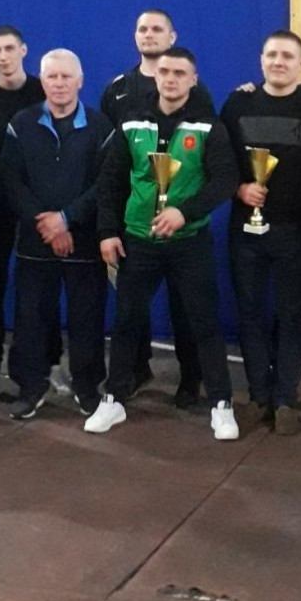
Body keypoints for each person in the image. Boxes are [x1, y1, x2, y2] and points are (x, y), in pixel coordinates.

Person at [90, 47, 239, 440]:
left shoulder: (209, 126)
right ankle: (113, 399)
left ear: (193, 79)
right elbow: (110, 181)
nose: (171, 79)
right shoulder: (130, 121)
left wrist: (183, 213)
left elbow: (225, 180)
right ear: (155, 76)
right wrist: (107, 231)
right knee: (126, 321)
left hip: (189, 242)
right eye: (165, 72)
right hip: (138, 241)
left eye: (180, 73)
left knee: (204, 322)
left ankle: (221, 404)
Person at [220, 31, 301, 435]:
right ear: (261, 59)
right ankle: (258, 395)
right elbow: (218, 162)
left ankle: (285, 399)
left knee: (293, 315)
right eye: (272, 55)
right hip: (245, 230)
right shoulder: (237, 104)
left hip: (296, 231)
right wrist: (239, 188)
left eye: (287, 56)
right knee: (249, 313)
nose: (279, 62)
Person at [99, 9, 204, 406]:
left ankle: (190, 378)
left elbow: (208, 153)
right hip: (135, 219)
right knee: (131, 306)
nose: (148, 34)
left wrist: (187, 209)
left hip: (181, 222)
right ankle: (135, 370)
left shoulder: (196, 90)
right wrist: (110, 224)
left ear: (172, 36)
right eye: (142, 28)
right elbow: (111, 161)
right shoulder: (118, 89)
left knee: (185, 305)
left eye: (157, 29)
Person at [2, 49, 112, 421]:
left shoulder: (101, 127)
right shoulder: (21, 123)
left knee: (86, 320)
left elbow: (105, 184)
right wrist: (47, 224)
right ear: (43, 81)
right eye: (52, 77)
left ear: (80, 81)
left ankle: (87, 388)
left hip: (84, 241)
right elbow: (12, 181)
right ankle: (31, 388)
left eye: (66, 77)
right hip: (35, 242)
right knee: (31, 318)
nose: (59, 84)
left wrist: (67, 219)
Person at [0, 25, 53, 383]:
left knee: (42, 283)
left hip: (38, 203)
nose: (3, 56)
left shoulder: (44, 92)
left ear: (23, 50)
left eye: (9, 48)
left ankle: (48, 360)